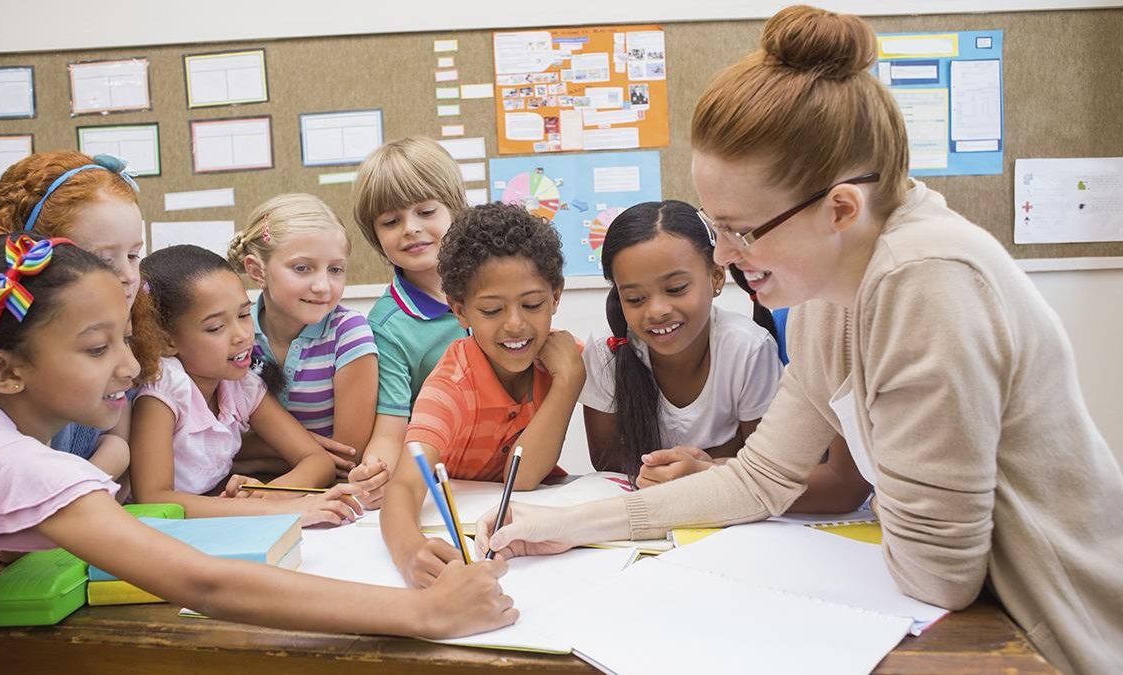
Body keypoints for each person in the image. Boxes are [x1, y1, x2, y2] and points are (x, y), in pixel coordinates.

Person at [475, 6, 1123, 673]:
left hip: (1056, 629)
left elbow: (939, 574)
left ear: (841, 207)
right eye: (716, 226)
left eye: (742, 231)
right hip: (981, 612)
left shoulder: (926, 282)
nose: (723, 255)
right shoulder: (829, 288)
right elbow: (760, 478)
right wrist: (568, 525)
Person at [0, 234, 517, 665]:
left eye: (127, 340)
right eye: (97, 349)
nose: (132, 367)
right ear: (4, 371)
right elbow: (206, 585)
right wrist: (427, 614)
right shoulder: (13, 461)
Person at [582, 200, 870, 512]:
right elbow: (607, 462)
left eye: (677, 288)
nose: (657, 310)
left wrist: (707, 470)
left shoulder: (750, 347)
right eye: (635, 298)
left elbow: (780, 465)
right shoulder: (609, 350)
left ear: (717, 277)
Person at [0, 151, 162, 481]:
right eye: (103, 260)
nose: (128, 275)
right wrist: (76, 493)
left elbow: (117, 437)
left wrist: (88, 480)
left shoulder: (121, 324)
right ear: (33, 258)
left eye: (134, 255)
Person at [382, 203, 583, 588]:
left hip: (532, 543)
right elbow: (405, 484)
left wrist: (568, 378)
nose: (515, 324)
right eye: (491, 310)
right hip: (471, 545)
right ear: (460, 311)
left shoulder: (563, 362)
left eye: (532, 304)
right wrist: (409, 551)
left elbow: (522, 481)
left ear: (555, 296)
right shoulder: (452, 384)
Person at [128, 245, 353, 522]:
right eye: (215, 328)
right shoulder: (164, 390)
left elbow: (316, 460)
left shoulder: (241, 383)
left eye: (244, 315)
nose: (242, 336)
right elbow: (153, 499)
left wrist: (270, 495)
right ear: (166, 341)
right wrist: (272, 510)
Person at [345, 137, 471, 508]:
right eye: (391, 220)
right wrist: (377, 468)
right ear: (376, 235)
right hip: (447, 480)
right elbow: (391, 425)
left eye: (426, 211)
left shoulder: (494, 289)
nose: (410, 228)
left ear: (454, 209)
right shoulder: (387, 326)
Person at [227, 193, 378, 479]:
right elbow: (217, 449)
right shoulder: (234, 334)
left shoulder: (349, 333)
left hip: (325, 496)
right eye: (302, 268)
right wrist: (306, 452)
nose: (322, 286)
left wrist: (255, 455)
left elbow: (346, 458)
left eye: (335, 269)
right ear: (256, 271)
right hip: (236, 492)